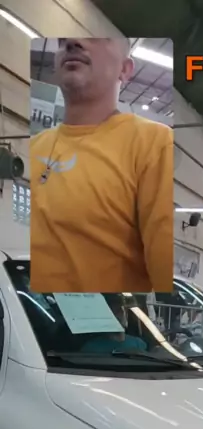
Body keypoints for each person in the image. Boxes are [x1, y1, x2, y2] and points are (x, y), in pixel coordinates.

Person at [31, 38, 173, 293]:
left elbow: (164, 269)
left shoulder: (154, 143)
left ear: (125, 69)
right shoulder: (33, 146)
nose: (72, 42)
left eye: (96, 39)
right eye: (62, 42)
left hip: (107, 316)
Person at [81, 293, 148, 353]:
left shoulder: (139, 344)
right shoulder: (91, 348)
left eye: (120, 311)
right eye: (112, 312)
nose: (118, 316)